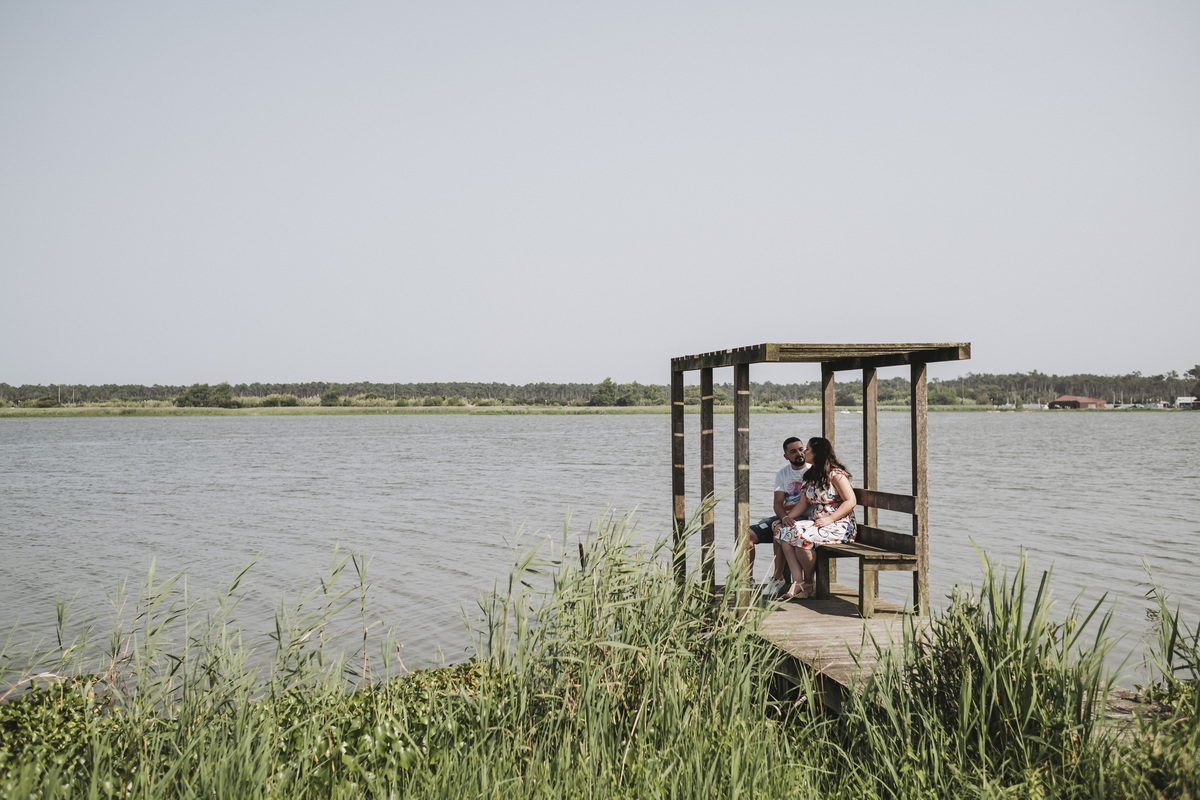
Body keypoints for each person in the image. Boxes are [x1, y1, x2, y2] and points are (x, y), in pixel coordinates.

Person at [775, 436, 857, 600]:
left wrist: (830, 519)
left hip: (839, 525)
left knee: (803, 539)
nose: (804, 452)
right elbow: (803, 503)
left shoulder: (836, 474)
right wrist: (786, 518)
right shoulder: (811, 475)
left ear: (817, 453)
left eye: (807, 449)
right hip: (817, 524)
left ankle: (808, 582)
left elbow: (851, 501)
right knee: (784, 532)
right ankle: (798, 580)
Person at [747, 437, 810, 596]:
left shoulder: (812, 471)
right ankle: (747, 581)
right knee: (747, 536)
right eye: (793, 451)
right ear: (786, 456)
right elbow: (777, 503)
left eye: (801, 449)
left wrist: (785, 520)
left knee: (779, 530)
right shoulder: (783, 473)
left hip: (805, 519)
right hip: (784, 517)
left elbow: (810, 503)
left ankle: (777, 577)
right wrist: (783, 517)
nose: (799, 454)